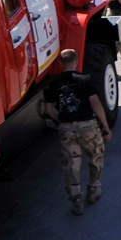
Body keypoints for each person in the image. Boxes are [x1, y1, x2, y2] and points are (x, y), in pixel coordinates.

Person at [44, 49, 112, 216]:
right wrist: (105, 126)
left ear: (60, 63)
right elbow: (95, 103)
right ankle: (93, 189)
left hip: (66, 127)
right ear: (77, 60)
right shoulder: (85, 79)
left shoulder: (54, 83)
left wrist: (61, 120)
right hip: (87, 126)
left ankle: (76, 200)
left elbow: (48, 108)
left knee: (71, 164)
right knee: (96, 155)